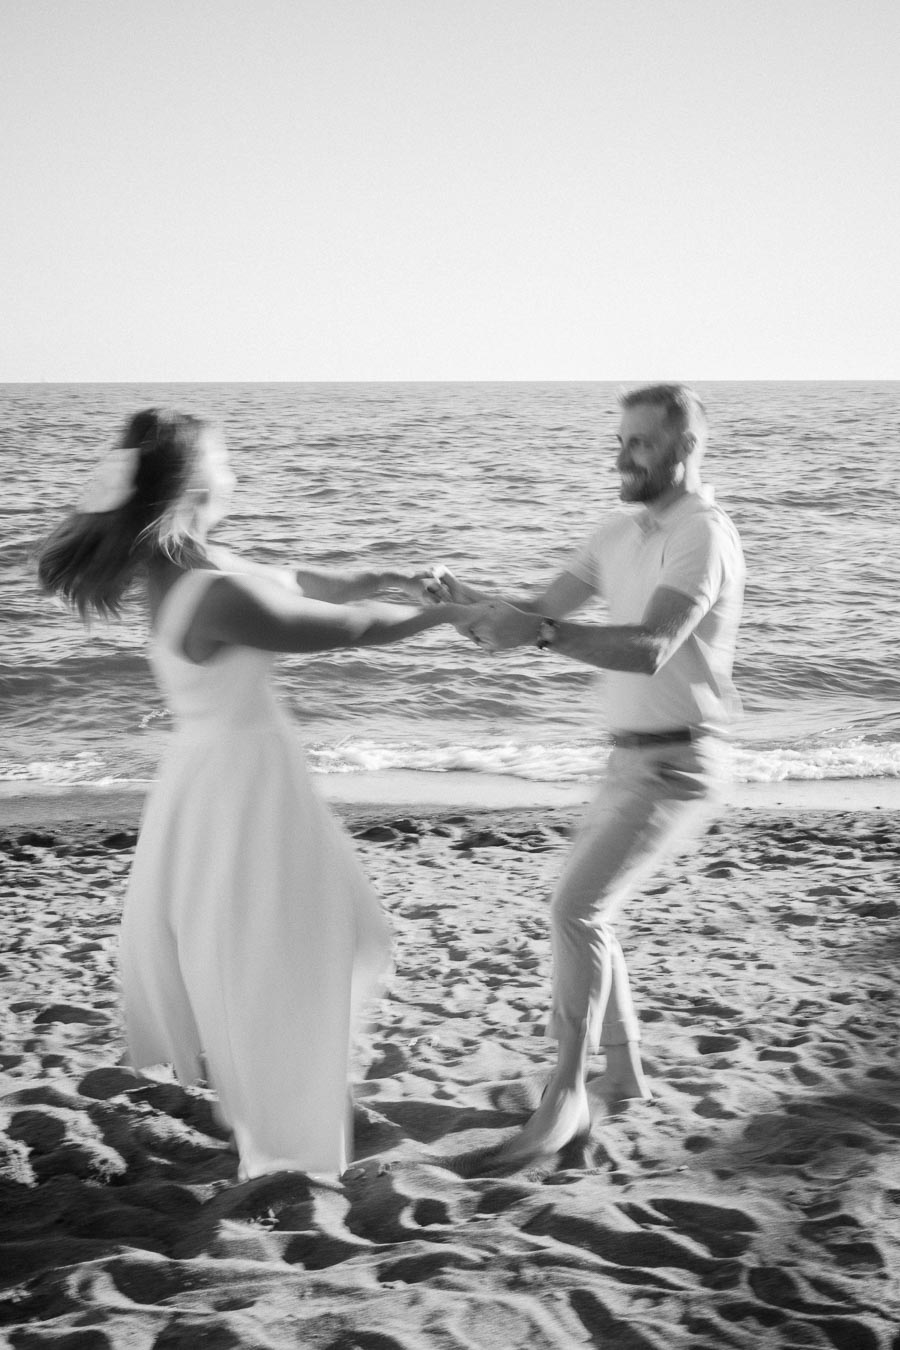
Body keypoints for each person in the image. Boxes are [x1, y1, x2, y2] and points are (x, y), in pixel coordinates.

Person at [37, 407, 473, 1181]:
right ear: (195, 482)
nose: (234, 468)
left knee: (310, 940)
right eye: (224, 456)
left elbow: (302, 582)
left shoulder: (191, 567)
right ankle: (283, 1139)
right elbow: (341, 630)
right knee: (283, 956)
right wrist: (441, 616)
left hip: (226, 781)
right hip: (241, 794)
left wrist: (390, 576)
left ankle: (265, 1106)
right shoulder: (211, 595)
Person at [438, 384, 744, 1164]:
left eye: (640, 442)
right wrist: (453, 603)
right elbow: (536, 611)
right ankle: (628, 1072)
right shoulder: (618, 529)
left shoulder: (702, 534)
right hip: (626, 756)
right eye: (619, 440)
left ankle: (568, 1093)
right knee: (584, 912)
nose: (623, 455)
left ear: (685, 449)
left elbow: (649, 646)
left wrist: (537, 631)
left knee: (578, 911)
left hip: (681, 760)